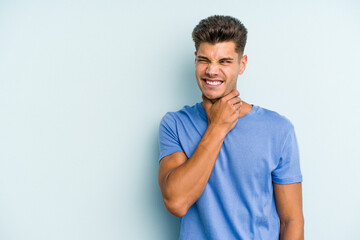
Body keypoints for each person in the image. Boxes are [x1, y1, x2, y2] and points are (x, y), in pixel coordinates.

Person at [158, 15, 304, 240]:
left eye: (224, 61)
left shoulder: (278, 129)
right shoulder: (175, 124)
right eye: (204, 60)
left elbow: (291, 220)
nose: (211, 71)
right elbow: (176, 202)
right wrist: (217, 127)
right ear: (195, 60)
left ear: (242, 64)